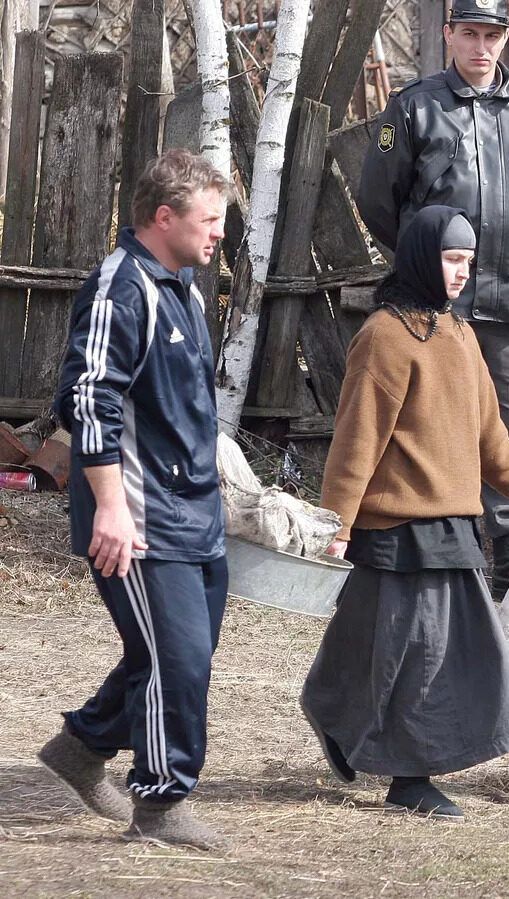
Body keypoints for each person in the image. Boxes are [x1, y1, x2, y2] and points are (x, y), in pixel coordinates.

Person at [300, 205, 509, 819]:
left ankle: (336, 716)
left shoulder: (461, 336)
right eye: (451, 259)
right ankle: (408, 779)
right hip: (397, 529)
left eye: (468, 262)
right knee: (417, 654)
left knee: (389, 649)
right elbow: (356, 439)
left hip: (454, 527)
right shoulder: (385, 338)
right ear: (422, 256)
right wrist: (335, 522)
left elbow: (491, 441)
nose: (460, 273)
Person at [39, 149, 231, 851]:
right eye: (209, 219)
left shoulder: (180, 284)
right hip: (140, 517)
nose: (218, 233)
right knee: (174, 658)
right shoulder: (123, 287)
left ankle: (83, 746)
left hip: (194, 512)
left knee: (182, 651)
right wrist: (112, 508)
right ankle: (161, 803)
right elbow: (89, 402)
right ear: (164, 217)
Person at [356, 0, 509, 599]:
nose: (481, 47)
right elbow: (379, 200)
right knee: (434, 429)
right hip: (440, 307)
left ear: (507, 38)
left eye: (492, 35)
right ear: (449, 34)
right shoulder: (416, 107)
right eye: (469, 33)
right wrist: (430, 270)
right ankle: (446, 557)